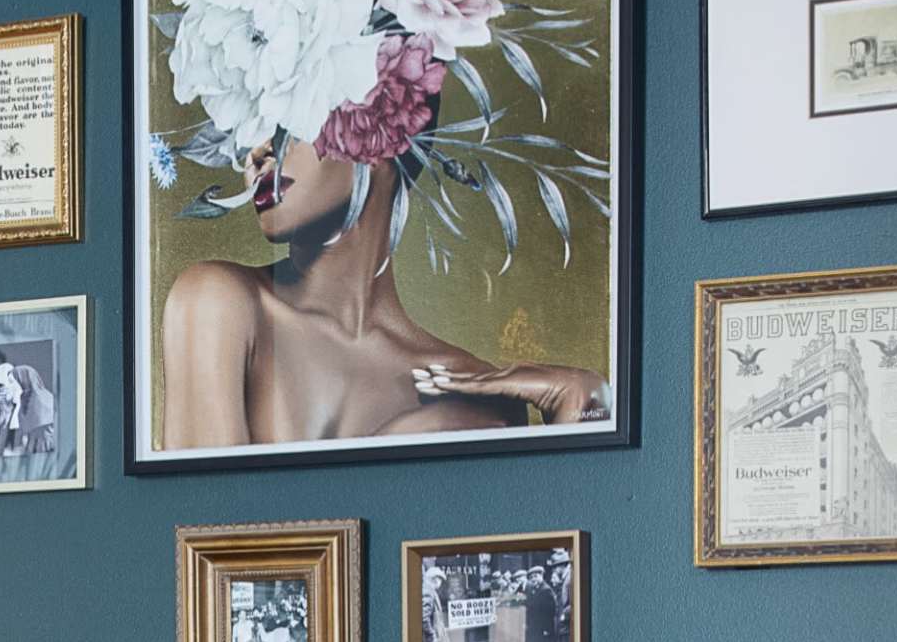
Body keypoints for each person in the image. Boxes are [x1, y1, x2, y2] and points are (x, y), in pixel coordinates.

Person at [158, 134, 603, 449]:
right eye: (251, 123)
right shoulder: (216, 303)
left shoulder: (477, 393)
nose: (257, 154)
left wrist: (582, 399)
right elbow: (205, 553)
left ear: (384, 128)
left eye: (290, 114)